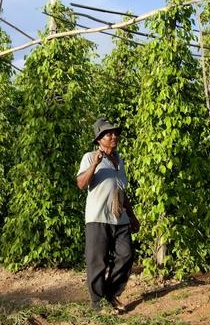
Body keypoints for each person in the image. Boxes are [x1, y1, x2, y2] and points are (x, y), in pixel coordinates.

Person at [77, 118, 140, 313]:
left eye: (115, 133)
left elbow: (122, 191)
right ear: (99, 139)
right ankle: (98, 304)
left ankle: (111, 294)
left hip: (119, 218)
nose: (114, 136)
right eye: (108, 134)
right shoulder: (89, 157)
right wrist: (94, 164)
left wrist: (132, 215)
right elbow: (81, 184)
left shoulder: (119, 160)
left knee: (126, 255)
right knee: (97, 261)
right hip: (97, 218)